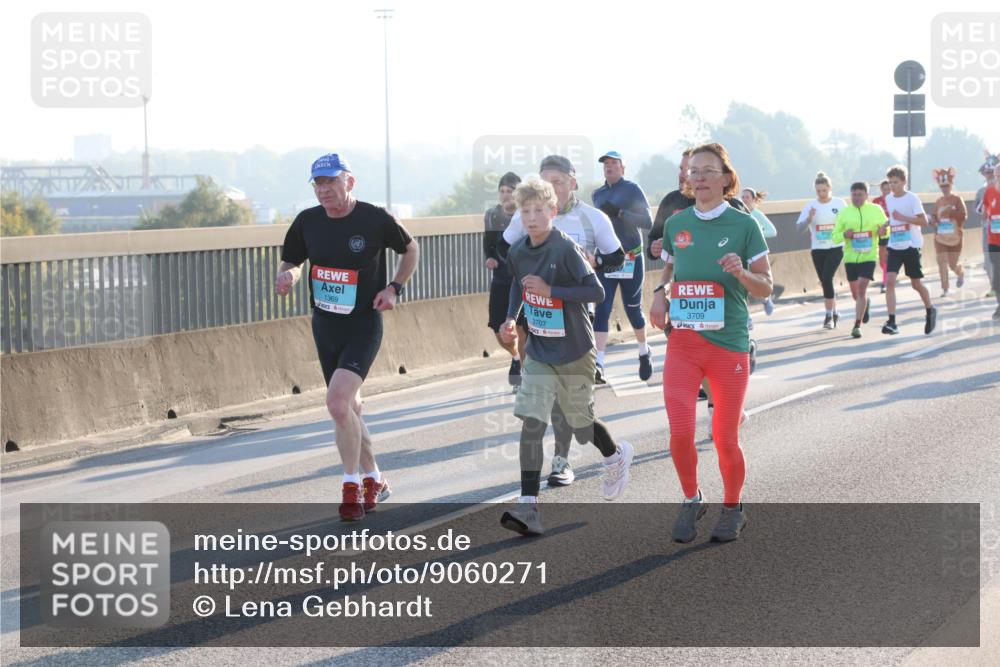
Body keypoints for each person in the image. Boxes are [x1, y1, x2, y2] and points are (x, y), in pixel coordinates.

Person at [276, 154, 419, 522]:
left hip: (363, 325)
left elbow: (410, 249)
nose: (324, 190)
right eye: (317, 184)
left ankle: (351, 486)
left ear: (349, 183)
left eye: (330, 182)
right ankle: (376, 478)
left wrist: (393, 288)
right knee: (349, 410)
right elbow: (291, 260)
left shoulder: (374, 218)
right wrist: (289, 277)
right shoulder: (307, 221)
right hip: (325, 325)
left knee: (337, 403)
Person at [649, 142, 772, 543]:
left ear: (725, 179)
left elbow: (766, 287)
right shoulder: (676, 224)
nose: (698, 177)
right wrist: (659, 293)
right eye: (693, 171)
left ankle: (733, 506)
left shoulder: (744, 226)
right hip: (684, 343)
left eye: (707, 171)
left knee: (724, 436)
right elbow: (669, 269)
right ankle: (691, 498)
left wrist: (740, 273)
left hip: (728, 345)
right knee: (680, 432)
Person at [498, 178, 634, 536]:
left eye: (539, 210)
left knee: (581, 426)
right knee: (532, 422)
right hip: (540, 350)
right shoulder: (518, 251)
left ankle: (615, 455)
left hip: (575, 349)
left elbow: (597, 291)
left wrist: (551, 291)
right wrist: (512, 317)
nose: (531, 217)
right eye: (525, 211)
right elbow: (517, 282)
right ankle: (529, 507)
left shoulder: (566, 248)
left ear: (553, 212)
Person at [591, 150, 655, 381]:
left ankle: (643, 351)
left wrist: (619, 213)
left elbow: (647, 222)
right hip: (607, 259)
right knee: (602, 308)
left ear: (622, 168)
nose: (609, 167)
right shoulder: (597, 194)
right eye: (606, 164)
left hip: (630, 257)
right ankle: (598, 363)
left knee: (632, 308)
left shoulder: (632, 189)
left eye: (614, 163)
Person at [648, 148, 748, 263]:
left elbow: (753, 253)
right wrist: (653, 248)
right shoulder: (670, 201)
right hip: (684, 278)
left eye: (689, 169)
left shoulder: (733, 206)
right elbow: (654, 238)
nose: (682, 174)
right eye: (681, 169)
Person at [881, 165, 937, 336]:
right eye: (890, 183)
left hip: (911, 245)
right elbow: (893, 219)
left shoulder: (912, 199)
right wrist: (885, 226)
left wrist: (903, 218)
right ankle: (892, 321)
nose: (892, 186)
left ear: (904, 181)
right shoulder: (889, 199)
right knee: (889, 281)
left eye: (896, 182)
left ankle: (930, 310)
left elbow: (924, 222)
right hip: (895, 245)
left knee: (916, 284)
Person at [484, 171, 527, 389]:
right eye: (502, 191)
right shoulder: (492, 214)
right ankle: (516, 357)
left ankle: (524, 374)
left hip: (519, 279)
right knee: (497, 328)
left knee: (520, 326)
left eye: (509, 191)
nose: (505, 195)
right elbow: (488, 243)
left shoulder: (525, 214)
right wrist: (490, 257)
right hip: (500, 278)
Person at [832, 182, 887, 338]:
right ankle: (865, 304)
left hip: (869, 256)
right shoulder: (844, 213)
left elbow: (886, 229)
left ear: (866, 195)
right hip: (850, 257)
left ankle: (857, 325)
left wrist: (882, 231)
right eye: (854, 194)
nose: (856, 198)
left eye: (860, 194)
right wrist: (844, 235)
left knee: (862, 288)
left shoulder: (876, 210)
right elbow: (835, 235)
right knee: (856, 294)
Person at [796, 172, 846, 329]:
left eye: (824, 190)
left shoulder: (839, 203)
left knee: (826, 277)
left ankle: (828, 316)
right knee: (826, 282)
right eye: (818, 191)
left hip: (836, 247)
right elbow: (798, 229)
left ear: (830, 188)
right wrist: (809, 219)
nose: (821, 194)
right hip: (818, 249)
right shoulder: (811, 206)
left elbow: (847, 222)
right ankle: (834, 310)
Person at [929, 167, 967, 297]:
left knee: (952, 264)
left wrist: (951, 212)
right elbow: (933, 216)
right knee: (942, 262)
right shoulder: (938, 201)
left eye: (946, 185)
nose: (944, 188)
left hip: (955, 236)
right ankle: (945, 288)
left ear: (951, 185)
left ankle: (960, 272)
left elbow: (964, 215)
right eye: (942, 186)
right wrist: (933, 221)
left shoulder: (957, 199)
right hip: (940, 237)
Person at [741, 187, 777, 315]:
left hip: (755, 255)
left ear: (754, 200)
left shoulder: (757, 215)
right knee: (742, 284)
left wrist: (756, 234)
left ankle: (766, 300)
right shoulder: (738, 213)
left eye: (747, 197)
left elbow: (772, 231)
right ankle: (747, 317)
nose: (744, 199)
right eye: (742, 196)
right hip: (741, 253)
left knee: (753, 285)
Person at [976, 152, 999, 298]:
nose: (989, 175)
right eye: (987, 172)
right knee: (992, 262)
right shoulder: (984, 191)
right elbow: (980, 210)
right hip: (990, 232)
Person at [982, 162, 1000, 319]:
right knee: (997, 276)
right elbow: (985, 210)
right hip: (993, 239)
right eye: (997, 176)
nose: (998, 178)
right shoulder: (989, 191)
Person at [872, 180, 891, 292]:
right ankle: (887, 277)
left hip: (892, 232)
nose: (887, 192)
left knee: (888, 258)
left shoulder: (895, 200)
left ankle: (885, 283)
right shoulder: (876, 202)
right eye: (884, 189)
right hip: (880, 232)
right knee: (882, 259)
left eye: (889, 189)